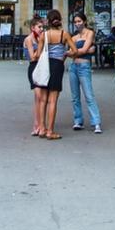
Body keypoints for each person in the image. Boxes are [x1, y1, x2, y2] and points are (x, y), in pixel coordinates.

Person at [37, 10, 71, 140]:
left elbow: (38, 54)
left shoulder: (43, 35)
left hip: (45, 66)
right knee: (53, 100)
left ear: (48, 21)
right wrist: (64, 55)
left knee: (43, 100)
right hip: (57, 66)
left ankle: (41, 129)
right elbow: (74, 50)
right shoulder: (64, 34)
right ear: (59, 20)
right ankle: (50, 131)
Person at [67, 12, 103, 134]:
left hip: (84, 66)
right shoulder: (74, 37)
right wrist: (85, 50)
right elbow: (76, 51)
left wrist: (75, 52)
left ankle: (96, 122)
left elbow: (80, 50)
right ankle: (78, 120)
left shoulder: (90, 33)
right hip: (73, 66)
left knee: (89, 95)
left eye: (79, 21)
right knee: (75, 97)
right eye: (75, 22)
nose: (77, 24)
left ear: (84, 21)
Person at [24, 17, 47, 137]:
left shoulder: (42, 38)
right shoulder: (29, 39)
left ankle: (40, 125)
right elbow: (32, 57)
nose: (41, 29)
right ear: (33, 28)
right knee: (38, 96)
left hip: (42, 67)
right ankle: (36, 125)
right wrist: (41, 48)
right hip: (33, 68)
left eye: (42, 27)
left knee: (40, 99)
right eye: (39, 27)